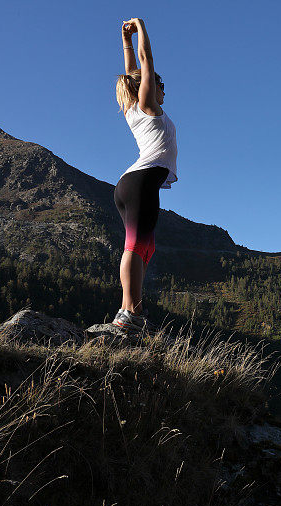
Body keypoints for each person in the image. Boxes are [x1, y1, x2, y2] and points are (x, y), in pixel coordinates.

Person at [112, 17, 177, 331]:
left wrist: (125, 41)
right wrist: (141, 28)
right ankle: (131, 314)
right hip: (141, 181)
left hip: (136, 184)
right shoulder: (147, 106)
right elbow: (144, 61)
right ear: (150, 87)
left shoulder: (133, 109)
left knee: (144, 246)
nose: (163, 90)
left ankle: (129, 310)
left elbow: (131, 71)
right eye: (160, 84)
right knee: (136, 246)